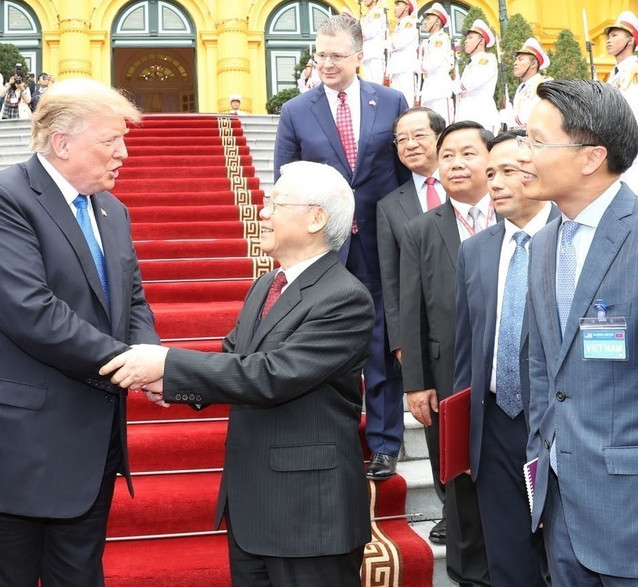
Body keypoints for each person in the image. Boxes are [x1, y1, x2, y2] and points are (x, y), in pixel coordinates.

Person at [101, 160, 375, 587]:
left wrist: (167, 365)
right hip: (253, 507)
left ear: (316, 218)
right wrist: (170, 384)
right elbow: (234, 355)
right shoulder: (267, 286)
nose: (262, 212)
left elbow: (273, 375)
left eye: (274, 203)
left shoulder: (344, 297)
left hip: (309, 516)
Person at [0, 77, 160, 586]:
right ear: (62, 142)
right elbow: (32, 313)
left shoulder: (112, 210)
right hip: (7, 454)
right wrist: (134, 364)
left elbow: (132, 298)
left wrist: (149, 356)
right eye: (110, 141)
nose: (123, 153)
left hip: (87, 454)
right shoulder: (1, 198)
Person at [521, 78, 638, 587]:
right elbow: (543, 374)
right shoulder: (542, 244)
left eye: (536, 141)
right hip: (560, 519)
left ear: (590, 157)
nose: (523, 154)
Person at [274, 13, 409, 481]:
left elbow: (405, 172)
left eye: (335, 55)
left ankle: (386, 443)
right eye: (319, 54)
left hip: (381, 243)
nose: (326, 63)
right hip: (324, 247)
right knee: (328, 344)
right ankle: (336, 435)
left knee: (381, 344)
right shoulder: (296, 110)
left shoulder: (391, 102)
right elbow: (285, 181)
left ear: (358, 56)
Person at [454, 130, 555, 585]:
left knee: (562, 551)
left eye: (508, 171)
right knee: (507, 557)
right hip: (493, 423)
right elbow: (465, 346)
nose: (494, 182)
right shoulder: (474, 249)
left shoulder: (571, 239)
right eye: (490, 173)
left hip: (555, 421)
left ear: (540, 170)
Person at [400, 120, 493, 586]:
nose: (456, 163)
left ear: (490, 159)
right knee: (456, 481)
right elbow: (409, 306)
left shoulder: (516, 214)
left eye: (468, 153)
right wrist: (416, 382)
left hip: (506, 378)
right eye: (448, 154)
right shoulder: (421, 228)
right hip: (447, 376)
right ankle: (467, 572)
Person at [375, 106, 446, 535]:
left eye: (418, 135)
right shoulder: (390, 205)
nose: (410, 145)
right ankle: (449, 506)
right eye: (401, 140)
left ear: (440, 136)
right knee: (437, 423)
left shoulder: (476, 184)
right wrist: (401, 339)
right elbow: (391, 279)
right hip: (426, 333)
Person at [605, 11, 638, 204]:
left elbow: (630, 105)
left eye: (615, 35)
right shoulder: (611, 76)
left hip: (636, 147)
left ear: (630, 40)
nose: (609, 40)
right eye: (608, 36)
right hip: (613, 149)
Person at [454, 19, 498, 133]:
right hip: (466, 111)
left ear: (482, 41)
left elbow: (471, 82)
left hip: (481, 112)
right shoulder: (471, 63)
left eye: (471, 38)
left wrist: (454, 86)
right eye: (466, 38)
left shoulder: (487, 59)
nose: (466, 41)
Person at [500, 38, 550, 129]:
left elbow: (528, 116)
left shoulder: (543, 84)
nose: (515, 63)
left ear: (533, 64)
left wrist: (506, 117)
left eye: (520, 59)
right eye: (516, 60)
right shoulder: (521, 88)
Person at [419, 4, 454, 124]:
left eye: (429, 19)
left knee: (444, 126)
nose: (425, 22)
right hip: (429, 88)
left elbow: (432, 63)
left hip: (440, 88)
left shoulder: (441, 38)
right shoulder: (429, 41)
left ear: (438, 21)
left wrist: (417, 66)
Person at [387, 0, 418, 107]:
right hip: (397, 67)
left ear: (406, 7)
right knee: (396, 100)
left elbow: (398, 43)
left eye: (398, 5)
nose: (395, 8)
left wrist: (388, 44)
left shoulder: (410, 22)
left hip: (406, 66)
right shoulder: (400, 24)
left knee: (406, 99)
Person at [359, 0, 387, 85]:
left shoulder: (378, 12)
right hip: (367, 54)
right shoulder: (368, 14)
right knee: (369, 84)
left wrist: (360, 35)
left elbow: (371, 31)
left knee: (376, 84)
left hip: (375, 53)